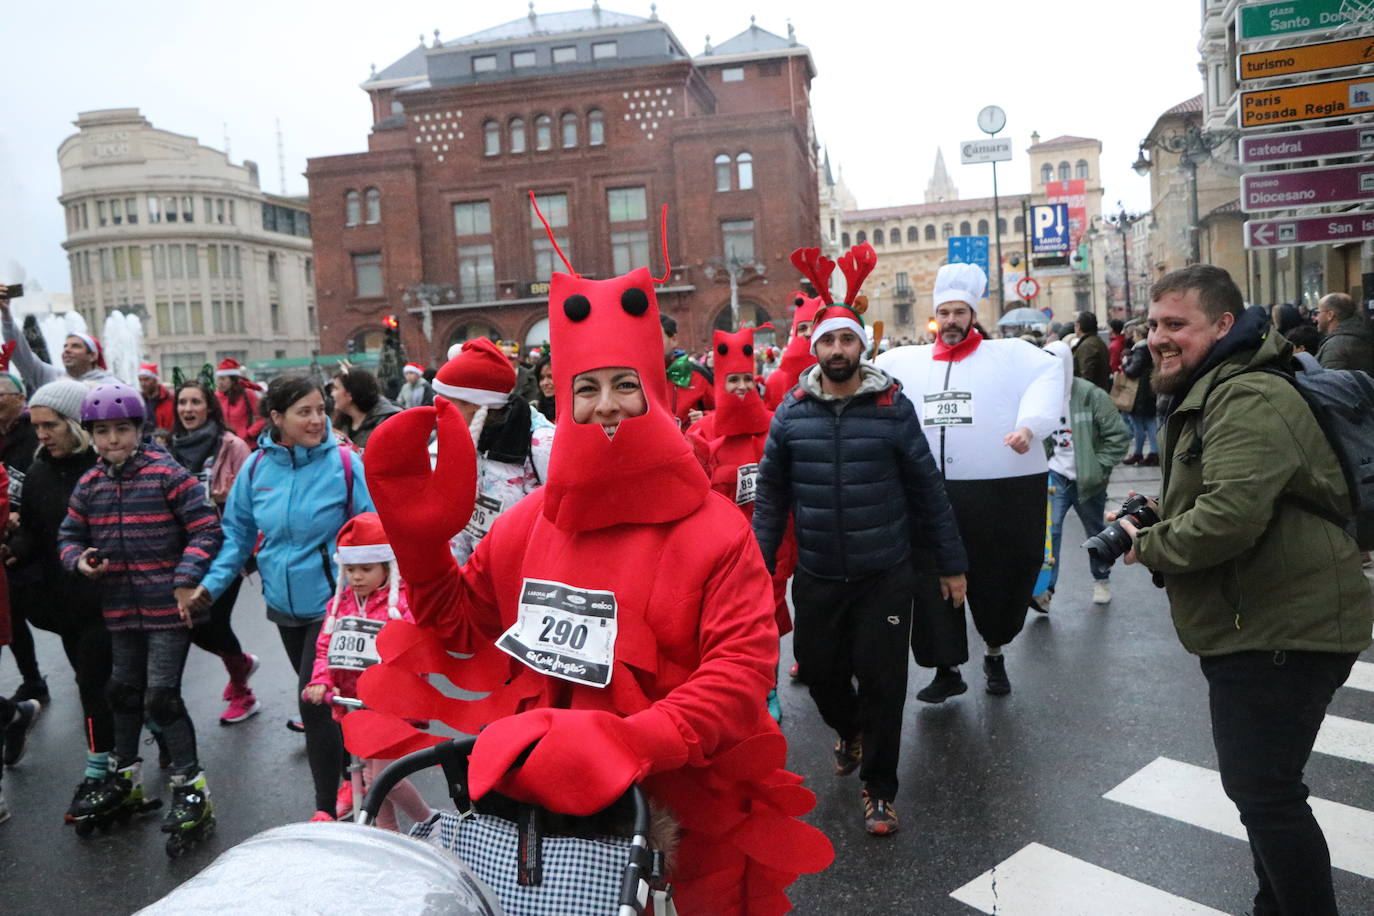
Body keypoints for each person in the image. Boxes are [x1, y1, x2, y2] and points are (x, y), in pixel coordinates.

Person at [354, 250, 833, 913]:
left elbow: (739, 675)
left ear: (654, 393)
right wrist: (418, 542)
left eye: (624, 385)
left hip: (682, 820)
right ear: (564, 397)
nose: (606, 406)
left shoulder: (717, 534)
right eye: (587, 388)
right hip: (534, 820)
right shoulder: (526, 526)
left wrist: (627, 740)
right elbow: (464, 624)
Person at [1118, 265, 1372, 916]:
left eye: (1177, 324)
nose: (1159, 338)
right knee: (1264, 788)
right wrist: (1161, 512)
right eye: (1154, 325)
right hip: (1262, 614)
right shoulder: (1218, 386)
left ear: (1224, 324)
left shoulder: (1247, 395)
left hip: (1287, 621)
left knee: (1266, 790)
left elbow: (1229, 518)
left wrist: (1147, 543)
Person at [755, 246, 966, 837]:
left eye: (847, 341)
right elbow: (771, 499)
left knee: (884, 682)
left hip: (884, 574)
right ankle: (848, 732)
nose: (838, 351)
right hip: (820, 574)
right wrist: (755, 566)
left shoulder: (892, 407)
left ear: (860, 346)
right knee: (820, 674)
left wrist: (950, 563)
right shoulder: (791, 416)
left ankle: (879, 788)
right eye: (828, 342)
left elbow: (928, 489)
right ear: (815, 348)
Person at [184, 376, 374, 821]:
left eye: (319, 410)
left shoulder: (344, 465)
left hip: (334, 604)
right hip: (284, 605)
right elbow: (237, 536)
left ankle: (326, 807)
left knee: (313, 700)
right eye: (303, 412)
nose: (315, 420)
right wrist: (210, 586)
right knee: (328, 701)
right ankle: (354, 770)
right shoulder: (255, 469)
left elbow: (371, 530)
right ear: (276, 418)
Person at [877, 261, 1062, 699]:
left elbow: (1050, 372)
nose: (951, 321)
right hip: (929, 493)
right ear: (935, 317)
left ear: (972, 315)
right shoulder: (904, 361)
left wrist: (1030, 425)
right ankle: (947, 669)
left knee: (996, 577)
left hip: (998, 493)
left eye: (960, 313)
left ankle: (994, 656)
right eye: (944, 313)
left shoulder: (1010, 354)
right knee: (931, 581)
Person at [57, 382, 222, 848]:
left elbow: (206, 528)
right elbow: (68, 535)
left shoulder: (166, 474)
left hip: (167, 608)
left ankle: (192, 790)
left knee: (161, 700)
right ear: (90, 434)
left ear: (139, 428)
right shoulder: (89, 484)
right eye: (103, 431)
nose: (113, 440)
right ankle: (125, 778)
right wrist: (80, 560)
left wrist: (187, 577)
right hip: (119, 609)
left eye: (122, 429)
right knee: (122, 692)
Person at [5, 379, 115, 822]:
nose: (42, 434)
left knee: (100, 684)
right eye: (36, 426)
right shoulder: (39, 470)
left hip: (110, 597)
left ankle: (103, 766)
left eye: (50, 425)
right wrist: (15, 547)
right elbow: (35, 530)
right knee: (94, 684)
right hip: (64, 600)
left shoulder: (104, 465)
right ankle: (113, 757)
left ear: (75, 424)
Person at [687, 325, 794, 722]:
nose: (740, 387)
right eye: (732, 379)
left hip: (769, 547)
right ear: (719, 381)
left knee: (766, 621)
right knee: (722, 627)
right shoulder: (702, 430)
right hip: (721, 553)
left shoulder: (775, 426)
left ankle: (770, 688)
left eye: (746, 378)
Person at [302, 512, 432, 831]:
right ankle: (390, 837)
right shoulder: (340, 605)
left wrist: (398, 681)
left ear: (386, 567)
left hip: (390, 705)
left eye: (366, 568)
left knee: (381, 777)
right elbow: (325, 649)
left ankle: (430, 821)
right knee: (373, 784)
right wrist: (320, 680)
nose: (357, 576)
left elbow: (413, 650)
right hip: (354, 706)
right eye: (351, 569)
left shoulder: (399, 606)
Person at [168, 381, 260, 724]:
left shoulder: (231, 446)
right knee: (191, 625)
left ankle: (243, 691)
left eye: (195, 402)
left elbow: (253, 498)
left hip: (227, 550)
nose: (188, 409)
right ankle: (242, 663)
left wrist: (226, 497)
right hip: (184, 551)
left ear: (210, 407)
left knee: (213, 621)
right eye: (182, 403)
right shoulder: (169, 448)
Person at [428, 337, 553, 564]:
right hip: (480, 581)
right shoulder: (460, 439)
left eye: (447, 404)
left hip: (530, 580)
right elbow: (460, 526)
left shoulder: (541, 444)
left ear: (476, 404)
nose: (438, 414)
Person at [1033, 341, 1129, 610]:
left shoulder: (1090, 395)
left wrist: (1099, 467)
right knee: (1051, 531)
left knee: (1094, 531)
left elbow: (1118, 436)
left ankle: (1101, 578)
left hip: (1089, 479)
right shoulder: (1043, 396)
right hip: (1057, 476)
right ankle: (1046, 590)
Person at [0, 370, 47, 704]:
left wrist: (22, 524)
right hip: (8, 540)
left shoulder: (37, 434)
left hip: (39, 538)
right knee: (13, 617)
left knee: (49, 613)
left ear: (18, 399)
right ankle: (33, 681)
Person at [0, 294, 116, 391]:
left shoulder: (111, 386)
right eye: (65, 346)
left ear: (92, 356)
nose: (67, 350)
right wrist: (6, 314)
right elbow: (21, 354)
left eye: (75, 346)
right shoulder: (50, 376)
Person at [762, 291, 822, 409]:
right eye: (802, 328)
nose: (809, 333)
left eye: (815, 327)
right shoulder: (775, 381)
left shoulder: (835, 372)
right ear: (794, 332)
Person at [330, 367, 401, 451]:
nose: (332, 393)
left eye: (336, 388)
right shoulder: (339, 423)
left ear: (350, 394)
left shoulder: (387, 422)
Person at [661, 313, 713, 425]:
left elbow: (725, 412)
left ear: (673, 339)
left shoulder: (698, 375)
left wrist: (705, 417)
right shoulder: (635, 378)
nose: (651, 344)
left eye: (657, 338)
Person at [1121, 324, 1159, 466]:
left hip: (1139, 394)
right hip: (1149, 391)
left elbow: (1132, 371)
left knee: (1138, 424)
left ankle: (1139, 453)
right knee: (1151, 423)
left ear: (1139, 336)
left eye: (1135, 335)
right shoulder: (1150, 348)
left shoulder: (1139, 351)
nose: (1132, 338)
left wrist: (1125, 364)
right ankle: (1155, 452)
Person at [1314, 292, 1374, 373]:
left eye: (1318, 312)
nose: (1315, 317)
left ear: (1330, 315)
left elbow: (1329, 382)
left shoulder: (1335, 346)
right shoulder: (1360, 333)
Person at [214, 358, 264, 443]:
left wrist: (249, 434)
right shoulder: (216, 396)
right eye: (219, 379)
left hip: (246, 443)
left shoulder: (248, 394)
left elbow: (262, 418)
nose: (220, 382)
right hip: (224, 444)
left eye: (223, 379)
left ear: (233, 380)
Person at [1072, 311, 1111, 392]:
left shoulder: (1087, 346)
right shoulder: (1096, 341)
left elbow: (1086, 376)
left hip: (1091, 397)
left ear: (1078, 326)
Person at [138, 364, 175, 434]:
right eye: (140, 380)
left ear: (155, 380)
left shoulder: (171, 399)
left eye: (146, 379)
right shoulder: (138, 401)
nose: (142, 383)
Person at [531, 350, 555, 421]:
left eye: (550, 377)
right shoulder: (535, 409)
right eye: (541, 378)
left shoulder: (574, 409)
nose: (545, 383)